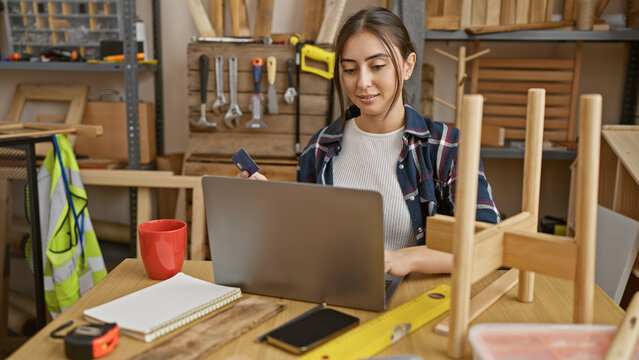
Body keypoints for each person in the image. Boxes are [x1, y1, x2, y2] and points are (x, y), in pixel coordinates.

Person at [238, 7, 500, 276]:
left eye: (377, 66)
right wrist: (272, 208)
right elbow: (309, 243)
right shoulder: (320, 148)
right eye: (350, 69)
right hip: (337, 293)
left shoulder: (446, 147)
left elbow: (488, 244)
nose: (362, 82)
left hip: (421, 300)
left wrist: (405, 259)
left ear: (408, 65)